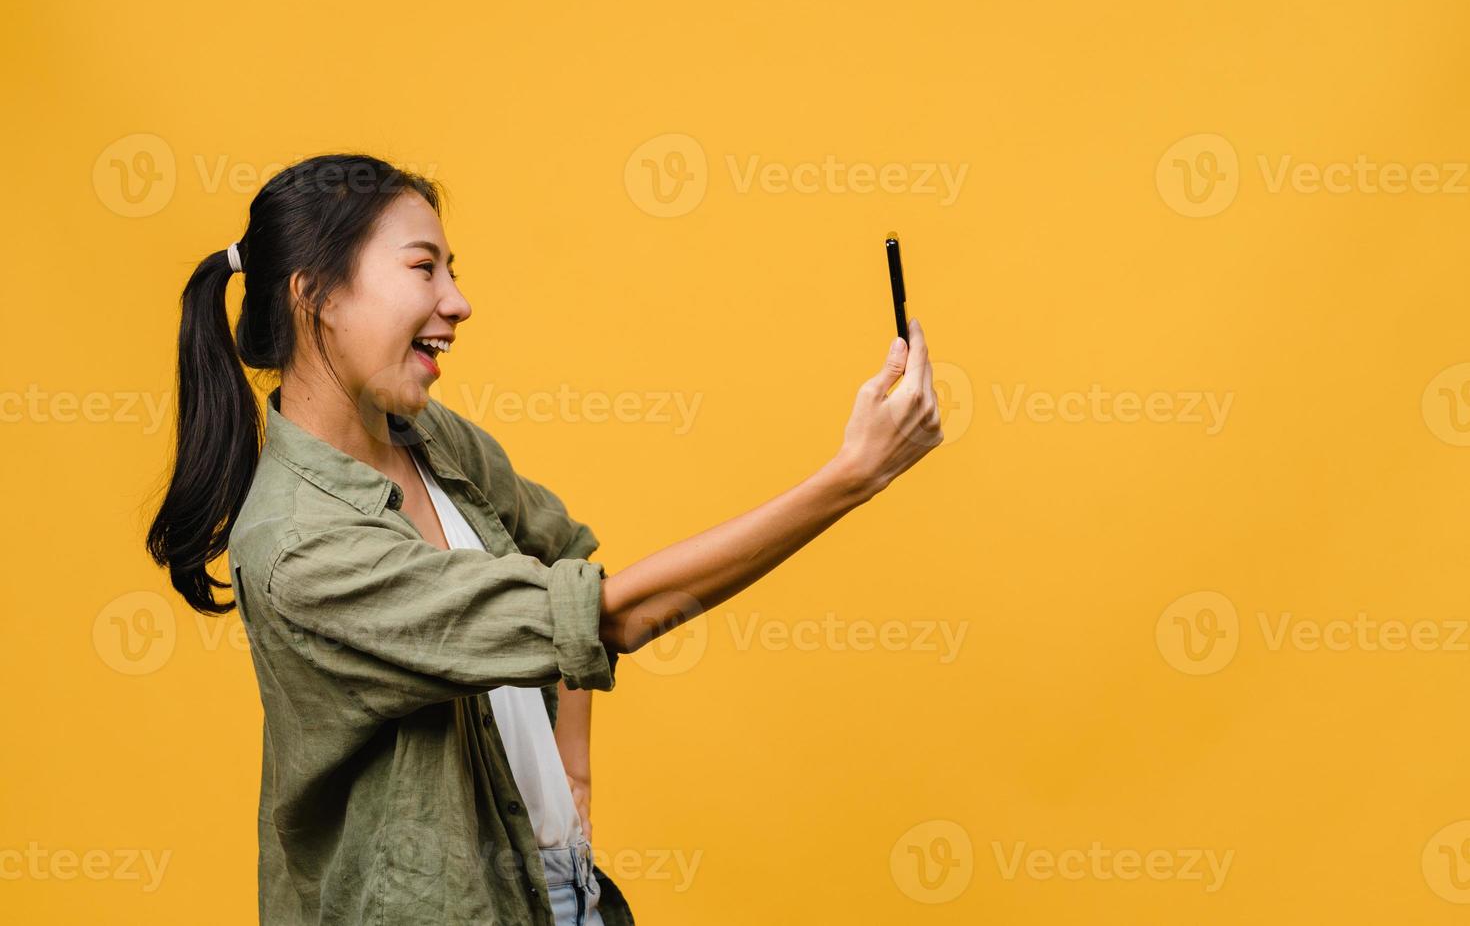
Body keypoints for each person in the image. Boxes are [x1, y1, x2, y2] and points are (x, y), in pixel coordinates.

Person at [144, 153, 944, 925]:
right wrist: (852, 476)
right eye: (425, 269)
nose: (458, 303)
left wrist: (573, 782)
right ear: (316, 295)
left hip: (552, 882)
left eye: (453, 270)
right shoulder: (299, 550)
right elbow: (606, 618)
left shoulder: (428, 438)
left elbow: (566, 556)